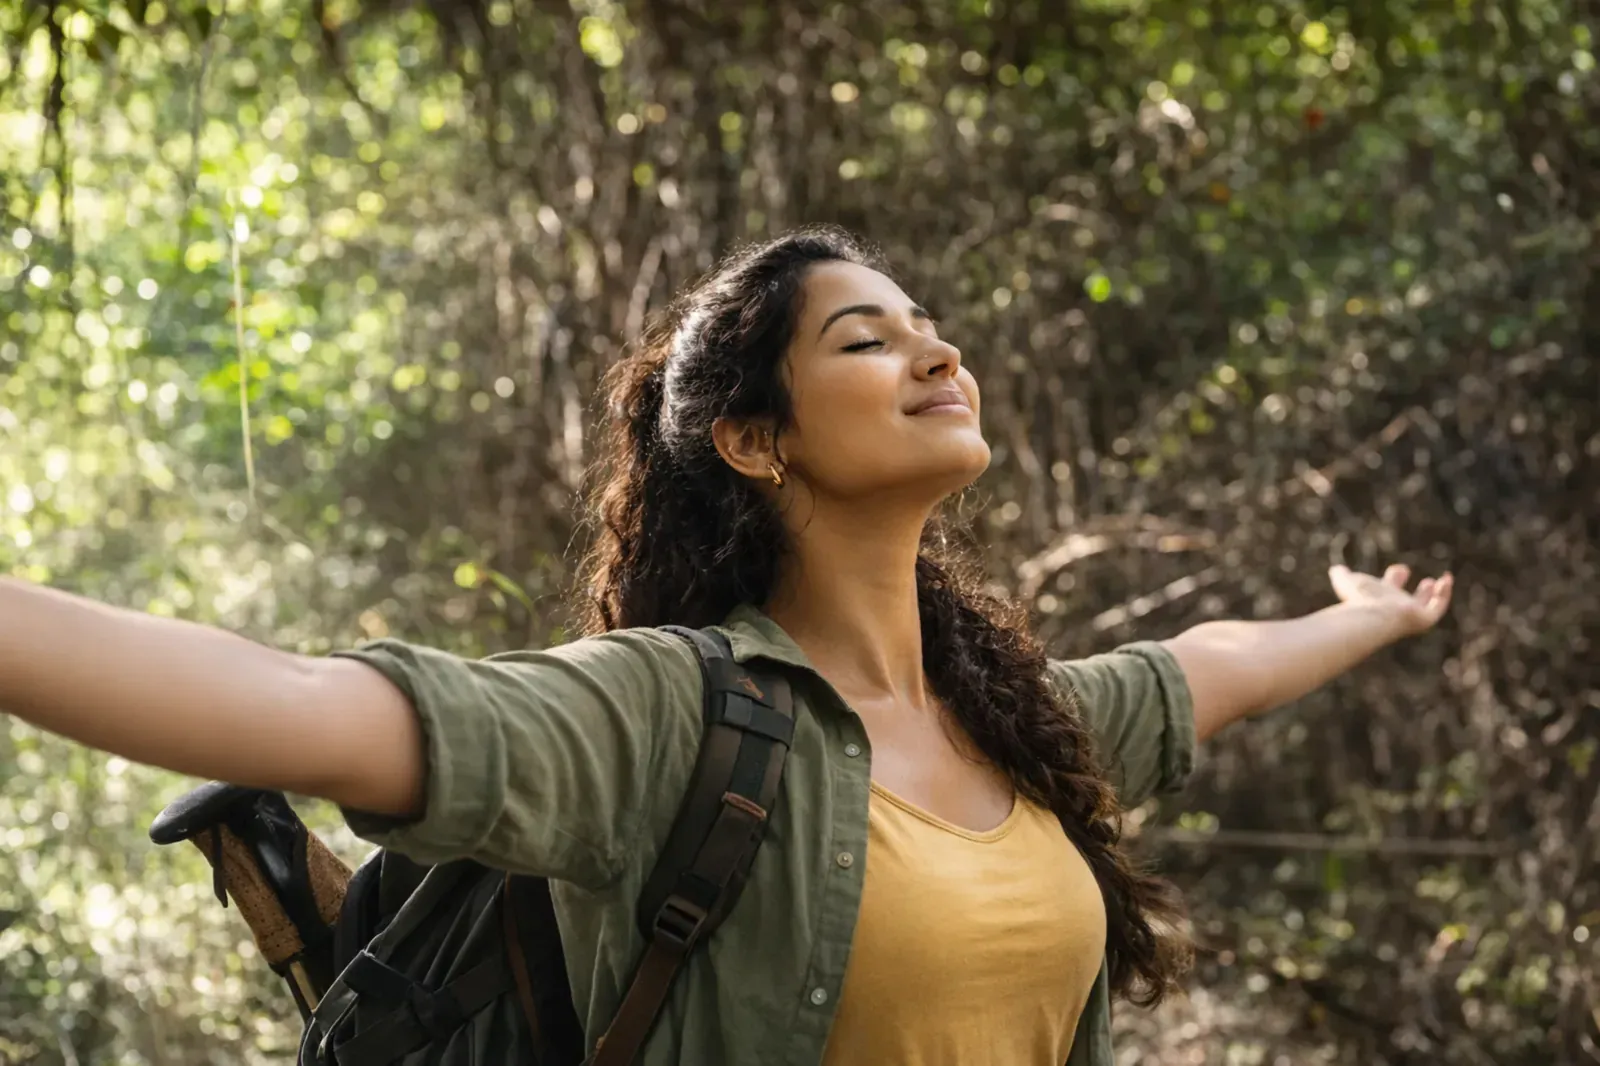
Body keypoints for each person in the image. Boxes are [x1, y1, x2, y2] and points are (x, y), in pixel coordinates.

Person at [0, 227, 1453, 1066]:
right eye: (868, 340)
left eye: (930, 326)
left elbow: (1214, 664)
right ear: (755, 439)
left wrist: (1369, 616)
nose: (939, 353)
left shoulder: (1024, 720)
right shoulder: (669, 716)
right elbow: (299, 704)